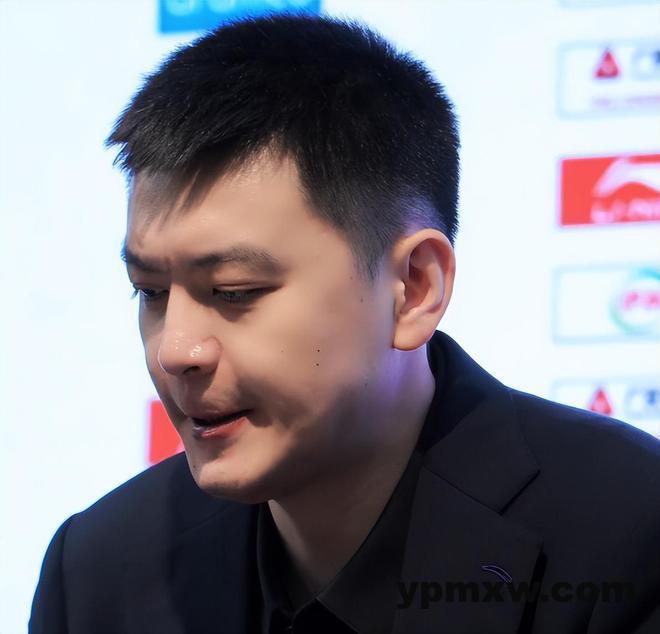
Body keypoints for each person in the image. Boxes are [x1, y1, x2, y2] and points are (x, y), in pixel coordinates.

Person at [29, 13, 660, 634]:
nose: (175, 349)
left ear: (414, 288)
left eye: (235, 291)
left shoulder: (629, 532)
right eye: (151, 291)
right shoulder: (97, 572)